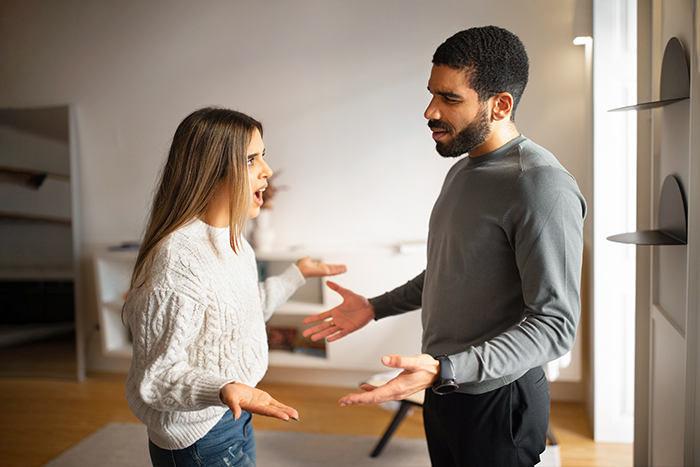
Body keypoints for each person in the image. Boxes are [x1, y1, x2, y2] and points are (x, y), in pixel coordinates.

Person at [302, 26, 587, 466]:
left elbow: (554, 325)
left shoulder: (540, 185)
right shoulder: (463, 169)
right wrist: (375, 307)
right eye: (432, 94)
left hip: (497, 399)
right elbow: (449, 272)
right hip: (442, 383)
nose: (430, 111)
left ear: (500, 105)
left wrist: (447, 369)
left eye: (450, 99)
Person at [123, 107, 346, 467]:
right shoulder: (176, 262)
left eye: (264, 156)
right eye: (251, 159)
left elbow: (240, 314)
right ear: (211, 171)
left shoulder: (235, 242)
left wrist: (296, 274)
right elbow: (158, 376)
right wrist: (224, 389)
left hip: (234, 411)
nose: (267, 171)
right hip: (196, 434)